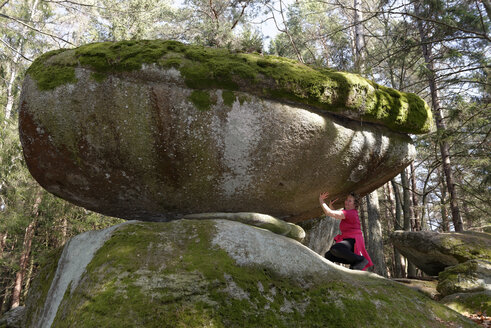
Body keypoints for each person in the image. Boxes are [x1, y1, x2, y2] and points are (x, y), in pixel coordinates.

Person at [319, 191, 373, 271]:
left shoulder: (350, 213)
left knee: (336, 248)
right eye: (346, 200)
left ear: (355, 204)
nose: (346, 202)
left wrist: (321, 200)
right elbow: (337, 215)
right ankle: (353, 262)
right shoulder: (350, 213)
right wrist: (331, 206)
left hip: (353, 241)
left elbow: (329, 213)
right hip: (349, 240)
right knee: (328, 255)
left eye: (350, 201)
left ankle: (360, 260)